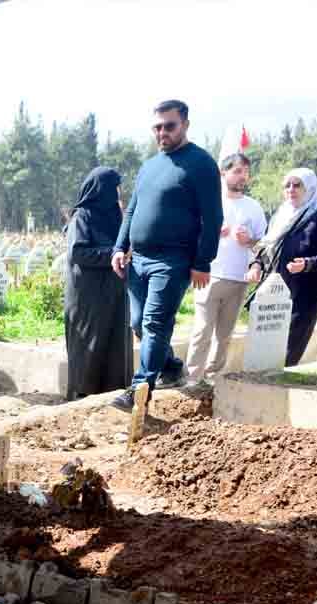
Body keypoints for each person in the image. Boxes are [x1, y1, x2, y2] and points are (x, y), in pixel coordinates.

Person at [110, 99, 222, 410]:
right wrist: (120, 247)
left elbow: (213, 218)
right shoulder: (150, 165)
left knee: (155, 323)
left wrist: (202, 262)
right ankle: (170, 367)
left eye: (169, 126)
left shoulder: (200, 164)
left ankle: (139, 391)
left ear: (185, 124)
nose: (163, 133)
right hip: (139, 260)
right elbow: (132, 209)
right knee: (137, 323)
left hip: (172, 261)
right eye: (157, 128)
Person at [184, 153, 267, 384]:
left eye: (246, 172)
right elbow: (188, 235)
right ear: (223, 173)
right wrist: (208, 234)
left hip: (238, 279)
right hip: (208, 275)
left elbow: (263, 245)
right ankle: (192, 378)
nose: (243, 177)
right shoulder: (209, 201)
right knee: (202, 331)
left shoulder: (254, 207)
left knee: (224, 335)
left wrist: (249, 240)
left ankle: (213, 379)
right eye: (238, 171)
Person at [247, 168, 317, 367]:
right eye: (287, 185)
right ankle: (261, 379)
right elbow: (266, 246)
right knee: (267, 337)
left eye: (297, 185)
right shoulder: (280, 215)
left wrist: (308, 264)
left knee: (292, 340)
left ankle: (283, 380)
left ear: (310, 188)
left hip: (306, 290)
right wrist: (256, 265)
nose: (291, 189)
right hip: (275, 284)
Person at [64, 166, 132, 400]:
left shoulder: (115, 217)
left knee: (113, 344)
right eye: (114, 188)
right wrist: (113, 254)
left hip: (112, 293)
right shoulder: (83, 216)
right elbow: (79, 253)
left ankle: (111, 392)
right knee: (89, 346)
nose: (118, 193)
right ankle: (83, 394)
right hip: (88, 298)